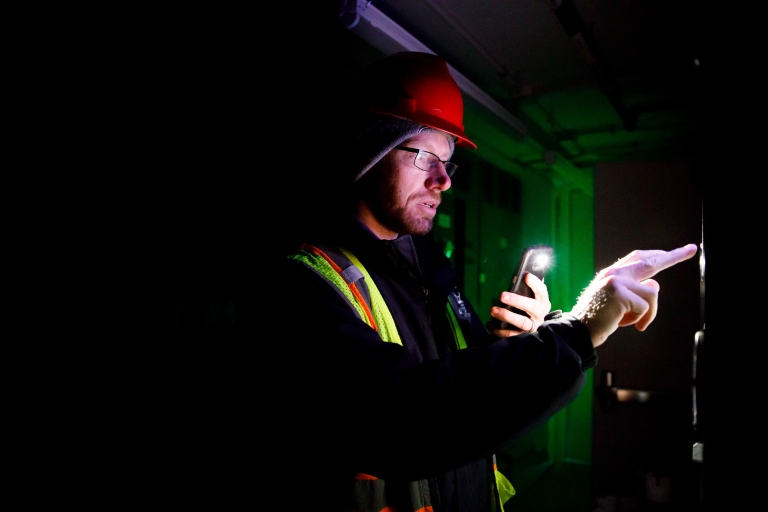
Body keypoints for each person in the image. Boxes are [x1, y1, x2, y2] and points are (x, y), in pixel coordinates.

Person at [247, 51, 697, 512]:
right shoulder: (303, 285)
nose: (443, 181)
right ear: (371, 149)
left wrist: (528, 340)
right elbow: (400, 419)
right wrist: (575, 333)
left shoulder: (431, 270)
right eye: (425, 157)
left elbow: (462, 389)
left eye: (448, 162)